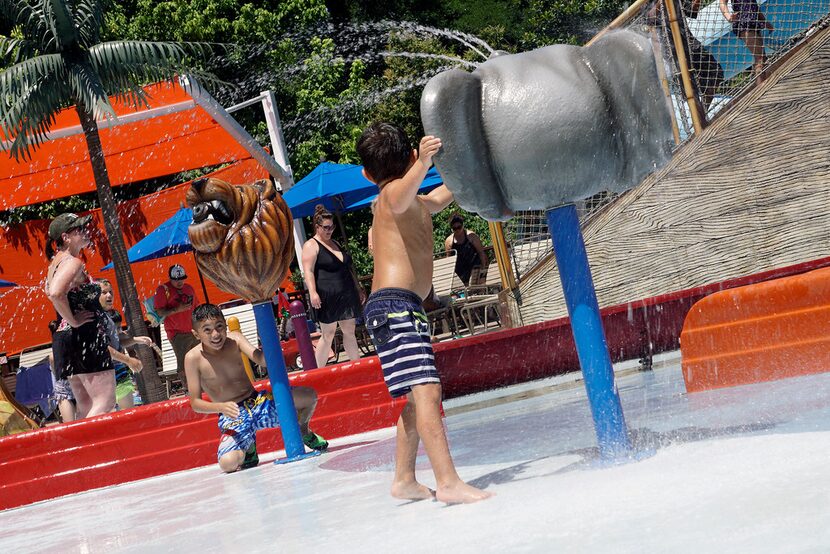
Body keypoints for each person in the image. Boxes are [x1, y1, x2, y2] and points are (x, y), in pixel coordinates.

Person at [357, 121, 492, 504]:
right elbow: (398, 196)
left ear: (366, 173)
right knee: (428, 391)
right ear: (414, 158)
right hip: (394, 307)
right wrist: (423, 162)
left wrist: (470, 170)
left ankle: (403, 480)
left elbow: (438, 198)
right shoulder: (387, 199)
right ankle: (447, 483)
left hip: (402, 308)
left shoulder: (415, 201)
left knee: (417, 399)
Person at [184, 304, 328, 473]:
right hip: (233, 414)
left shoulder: (235, 339)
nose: (215, 334)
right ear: (196, 334)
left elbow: (262, 360)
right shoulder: (192, 358)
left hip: (257, 402)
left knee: (309, 396)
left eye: (219, 327)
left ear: (225, 325)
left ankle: (303, 429)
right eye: (207, 330)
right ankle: (249, 447)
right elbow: (195, 403)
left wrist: (270, 343)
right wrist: (220, 407)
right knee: (228, 464)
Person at [45, 212, 115, 418]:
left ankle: (87, 448)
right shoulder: (72, 262)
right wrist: (74, 321)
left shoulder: (54, 264)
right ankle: (88, 448)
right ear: (66, 237)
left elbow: (51, 293)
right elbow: (57, 293)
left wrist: (69, 321)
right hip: (84, 335)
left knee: (85, 405)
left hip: (65, 339)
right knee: (105, 400)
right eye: (80, 229)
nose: (86, 232)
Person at [301, 205, 363, 367]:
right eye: (326, 228)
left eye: (332, 227)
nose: (330, 231)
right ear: (317, 227)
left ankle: (357, 367)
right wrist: (313, 292)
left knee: (349, 330)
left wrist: (357, 288)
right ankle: (316, 372)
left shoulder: (335, 242)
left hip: (346, 292)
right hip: (326, 295)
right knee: (327, 334)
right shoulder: (311, 245)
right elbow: (308, 271)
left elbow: (347, 269)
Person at [98, 279, 153, 409]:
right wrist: (129, 360)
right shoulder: (96, 319)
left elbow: (117, 341)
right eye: (104, 292)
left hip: (119, 372)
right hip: (103, 375)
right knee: (110, 418)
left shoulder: (109, 315)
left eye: (110, 291)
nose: (109, 295)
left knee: (128, 415)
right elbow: (104, 349)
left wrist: (136, 339)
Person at [153, 264, 199, 391]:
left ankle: (204, 388)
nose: (179, 282)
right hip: (176, 333)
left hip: (193, 330)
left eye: (181, 279)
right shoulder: (163, 290)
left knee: (200, 359)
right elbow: (159, 312)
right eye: (176, 279)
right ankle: (190, 391)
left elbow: (196, 308)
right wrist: (177, 309)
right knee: (184, 363)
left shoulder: (189, 288)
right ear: (170, 278)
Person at [719, 0, 773, 83]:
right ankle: (761, 89)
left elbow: (754, 6)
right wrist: (728, 17)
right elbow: (722, 3)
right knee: (760, 58)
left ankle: (765, 85)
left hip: (753, 22)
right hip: (743, 23)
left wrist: (764, 22)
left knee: (763, 58)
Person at [444, 213, 488, 286]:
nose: (457, 230)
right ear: (451, 229)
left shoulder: (471, 236)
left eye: (459, 227)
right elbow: (449, 261)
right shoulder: (449, 241)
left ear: (463, 225)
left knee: (478, 290)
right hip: (460, 272)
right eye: (455, 228)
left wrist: (483, 270)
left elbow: (481, 253)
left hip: (475, 269)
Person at [47, 320, 75, 423]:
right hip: (80, 379)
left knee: (70, 424)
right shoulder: (73, 334)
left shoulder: (55, 348)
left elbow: (53, 361)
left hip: (64, 383)